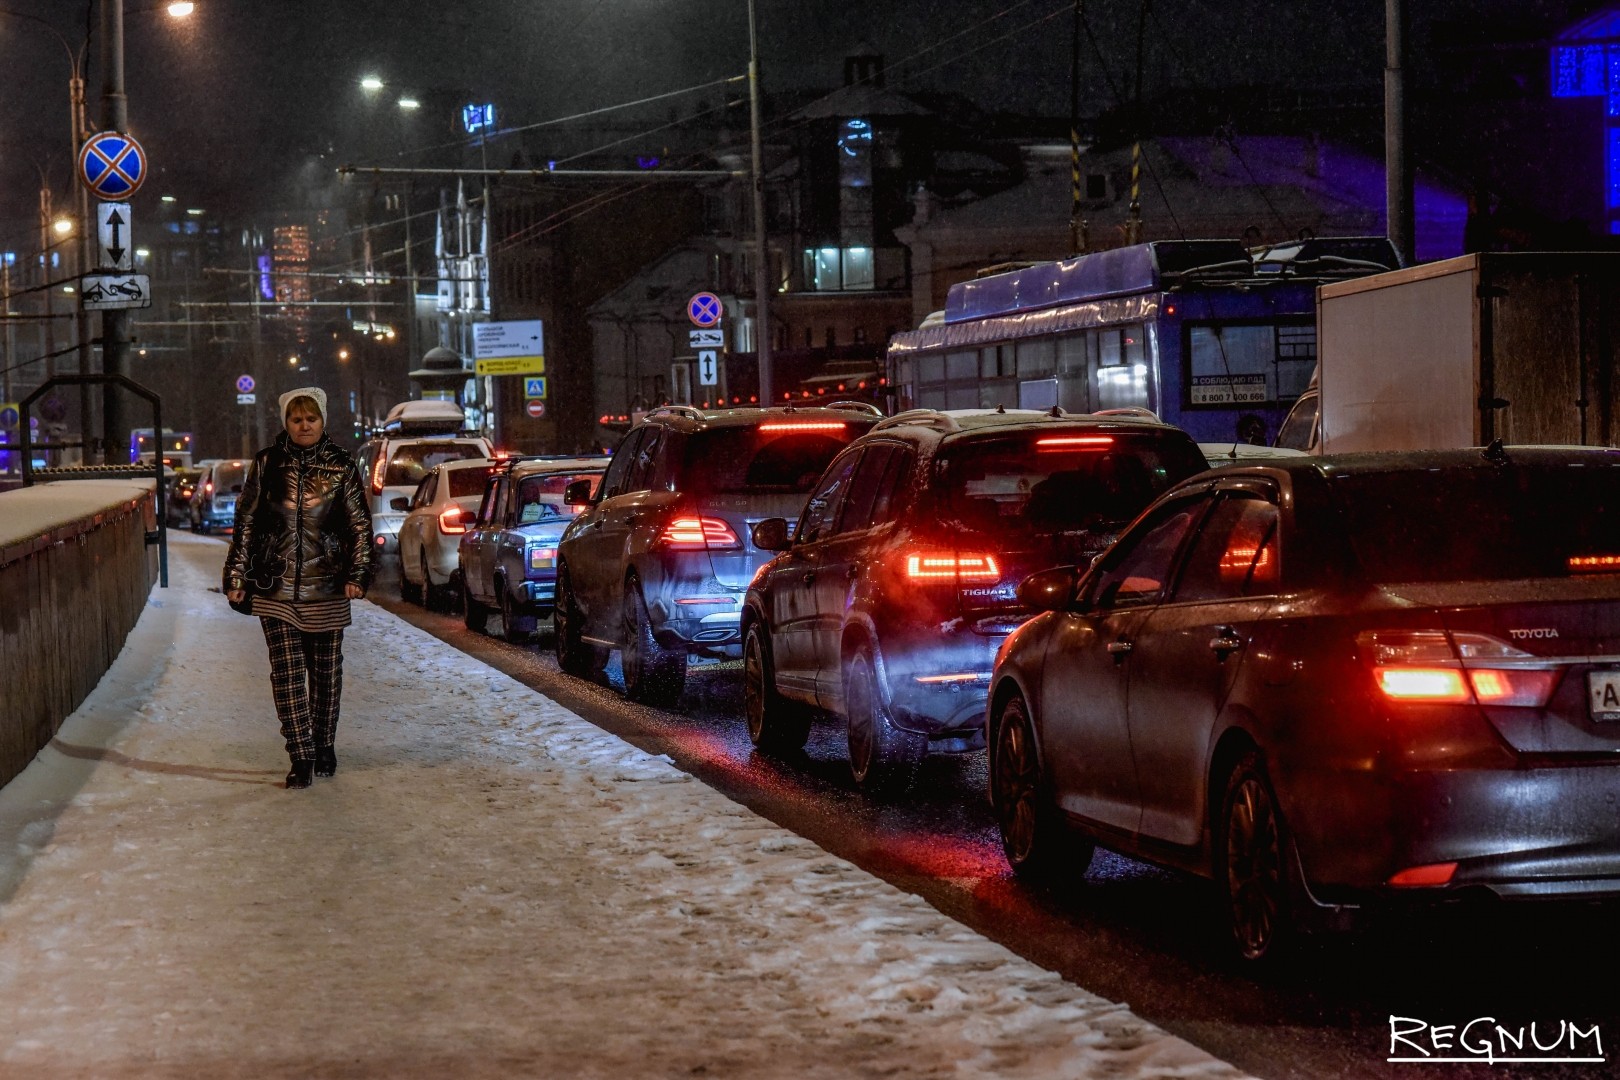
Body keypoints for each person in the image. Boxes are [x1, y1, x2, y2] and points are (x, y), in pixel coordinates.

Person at [224, 387, 372, 789]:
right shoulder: (267, 464)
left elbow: (359, 525)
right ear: (285, 423)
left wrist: (357, 575)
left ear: (323, 421)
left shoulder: (341, 466)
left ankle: (324, 745)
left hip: (327, 586)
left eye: (311, 418)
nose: (304, 425)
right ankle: (301, 755)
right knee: (287, 673)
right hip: (276, 586)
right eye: (296, 419)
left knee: (325, 674)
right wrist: (237, 578)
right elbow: (247, 523)